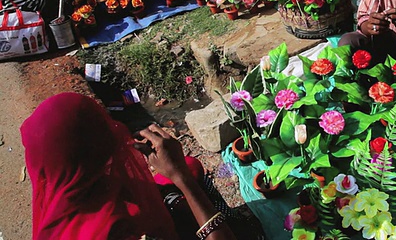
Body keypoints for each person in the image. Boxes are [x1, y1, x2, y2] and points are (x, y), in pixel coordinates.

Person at [21, 92, 237, 240]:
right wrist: (183, 179)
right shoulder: (116, 231)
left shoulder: (58, 205)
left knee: (182, 173)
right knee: (187, 175)